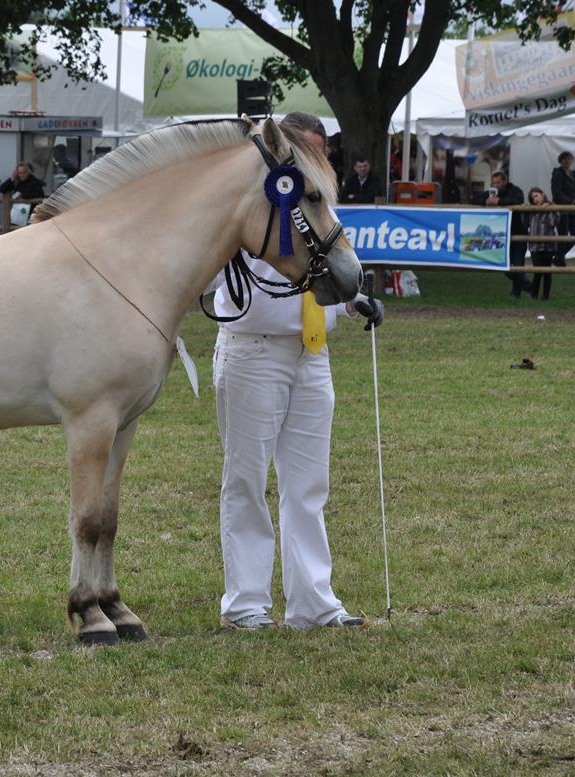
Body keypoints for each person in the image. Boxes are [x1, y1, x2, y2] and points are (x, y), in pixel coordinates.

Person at [213, 111, 383, 632]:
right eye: (310, 152)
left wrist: (356, 302)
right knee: (246, 479)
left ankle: (313, 602)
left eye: (322, 153)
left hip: (313, 353)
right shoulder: (247, 202)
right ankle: (245, 604)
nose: (319, 161)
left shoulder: (318, 200)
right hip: (254, 348)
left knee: (308, 483)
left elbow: (329, 271)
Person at [481, 171, 528, 298]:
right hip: (501, 235)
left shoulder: (515, 190)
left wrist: (499, 201)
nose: (496, 185)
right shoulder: (490, 192)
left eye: (498, 182)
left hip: (518, 232)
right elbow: (475, 199)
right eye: (494, 183)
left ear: (505, 182)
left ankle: (516, 292)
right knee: (505, 267)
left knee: (518, 265)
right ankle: (529, 287)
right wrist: (486, 201)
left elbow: (518, 200)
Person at [525, 187, 559, 301]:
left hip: (548, 246)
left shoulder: (552, 207)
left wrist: (549, 208)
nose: (535, 199)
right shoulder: (532, 210)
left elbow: (553, 222)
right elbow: (526, 223)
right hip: (534, 246)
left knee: (547, 272)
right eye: (532, 198)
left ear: (543, 194)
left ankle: (545, 297)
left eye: (536, 196)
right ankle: (534, 295)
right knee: (537, 271)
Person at [550, 151, 575, 263]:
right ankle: (560, 259)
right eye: (564, 159)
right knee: (563, 235)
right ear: (560, 161)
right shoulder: (557, 174)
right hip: (562, 209)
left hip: (574, 210)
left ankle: (558, 256)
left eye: (569, 159)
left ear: (572, 160)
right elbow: (556, 193)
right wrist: (570, 201)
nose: (567, 161)